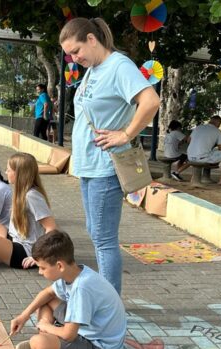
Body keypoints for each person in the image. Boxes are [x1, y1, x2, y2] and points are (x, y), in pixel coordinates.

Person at [60, 17, 160, 294]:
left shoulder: (119, 66)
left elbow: (151, 101)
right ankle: (104, 298)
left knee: (104, 241)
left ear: (92, 39)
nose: (75, 58)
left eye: (77, 50)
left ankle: (109, 304)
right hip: (89, 165)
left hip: (106, 166)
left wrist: (125, 134)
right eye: (71, 54)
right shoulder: (95, 68)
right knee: (95, 234)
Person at [9, 230, 126, 349]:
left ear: (59, 265)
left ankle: (47, 347)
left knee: (37, 343)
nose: (40, 272)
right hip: (88, 329)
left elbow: (69, 335)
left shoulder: (81, 288)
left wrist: (47, 326)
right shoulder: (76, 272)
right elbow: (47, 293)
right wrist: (24, 316)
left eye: (42, 268)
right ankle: (50, 342)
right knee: (46, 301)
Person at [0, 152, 56, 272]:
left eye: (9, 170)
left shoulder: (32, 196)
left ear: (19, 173)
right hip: (14, 238)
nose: (5, 172)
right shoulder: (21, 192)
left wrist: (39, 257)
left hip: (24, 251)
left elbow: (51, 228)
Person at [187, 115, 221, 186]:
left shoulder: (198, 128)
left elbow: (189, 141)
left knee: (206, 152)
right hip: (202, 158)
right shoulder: (218, 131)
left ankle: (194, 177)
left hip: (189, 156)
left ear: (210, 121)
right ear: (219, 123)